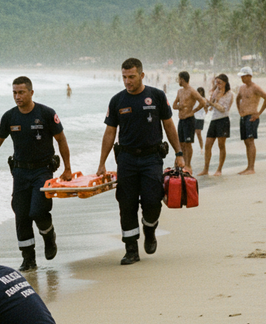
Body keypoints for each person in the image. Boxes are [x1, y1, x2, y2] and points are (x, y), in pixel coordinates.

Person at [0, 76, 73, 272]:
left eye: (21, 92)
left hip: (43, 170)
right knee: (21, 214)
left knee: (37, 210)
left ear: (31, 92)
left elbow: (61, 139)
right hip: (20, 172)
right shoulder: (9, 117)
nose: (17, 96)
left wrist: (67, 168)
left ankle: (49, 236)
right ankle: (28, 259)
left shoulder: (46, 113)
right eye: (14, 93)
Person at [96, 58, 185, 265]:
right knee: (126, 204)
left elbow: (169, 125)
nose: (127, 81)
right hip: (126, 159)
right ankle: (131, 249)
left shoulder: (157, 96)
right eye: (124, 77)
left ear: (142, 75)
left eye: (132, 77)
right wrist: (102, 163)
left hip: (151, 158)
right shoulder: (117, 101)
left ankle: (150, 228)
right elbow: (110, 132)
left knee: (153, 200)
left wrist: (179, 153)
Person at [235, 67, 266, 175]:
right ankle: (248, 167)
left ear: (249, 76)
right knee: (246, 142)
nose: (242, 78)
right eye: (241, 77)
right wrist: (239, 110)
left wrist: (259, 113)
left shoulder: (255, 88)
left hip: (252, 117)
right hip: (243, 117)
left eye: (244, 76)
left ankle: (251, 168)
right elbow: (238, 98)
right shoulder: (242, 88)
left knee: (250, 141)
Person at [197, 74, 233, 177]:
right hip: (214, 119)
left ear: (225, 83)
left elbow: (223, 109)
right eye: (216, 82)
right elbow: (210, 105)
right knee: (208, 145)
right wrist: (206, 103)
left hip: (223, 119)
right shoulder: (215, 91)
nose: (218, 85)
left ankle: (219, 169)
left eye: (219, 82)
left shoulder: (229, 94)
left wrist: (212, 104)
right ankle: (206, 169)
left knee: (221, 145)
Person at [172, 71, 207, 171]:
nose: (178, 81)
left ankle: (188, 165)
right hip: (181, 120)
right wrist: (180, 106)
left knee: (188, 144)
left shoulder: (192, 91)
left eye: (179, 79)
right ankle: (181, 164)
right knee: (181, 144)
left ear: (182, 79)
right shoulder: (180, 91)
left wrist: (193, 111)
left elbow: (202, 102)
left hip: (189, 119)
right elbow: (174, 106)